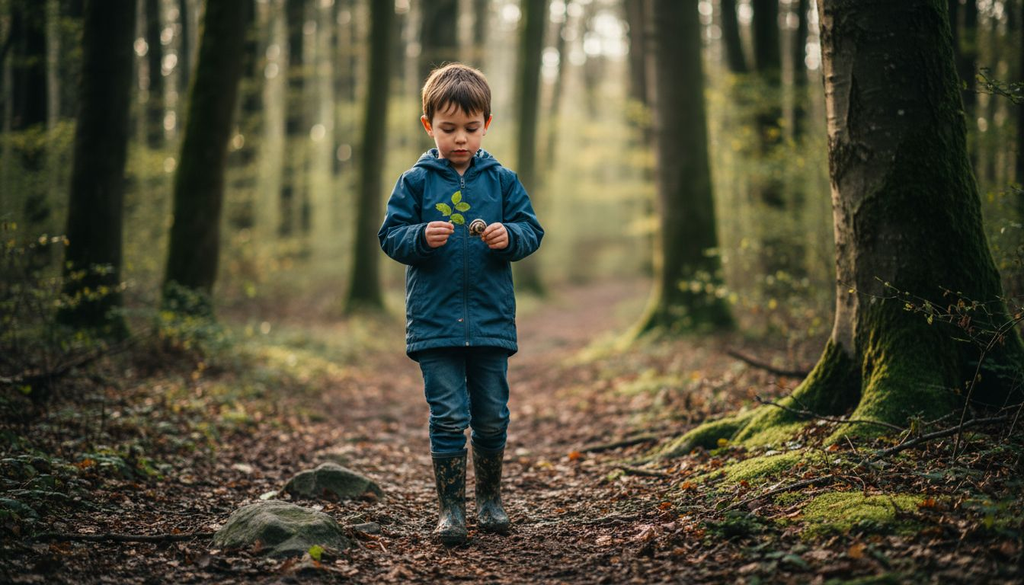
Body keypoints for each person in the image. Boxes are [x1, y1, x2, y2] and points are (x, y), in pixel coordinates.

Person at [378, 63, 543, 546]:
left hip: (491, 321)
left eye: (471, 129)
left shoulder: (502, 181)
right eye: (449, 129)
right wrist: (418, 237)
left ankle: (489, 499)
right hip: (434, 323)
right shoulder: (416, 181)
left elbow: (532, 231)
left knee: (492, 414)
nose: (461, 139)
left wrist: (508, 235)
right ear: (428, 125)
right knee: (448, 415)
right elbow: (389, 236)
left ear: (486, 124)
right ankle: (451, 510)